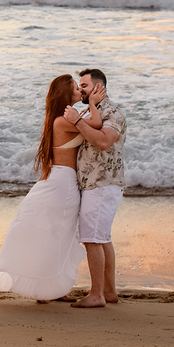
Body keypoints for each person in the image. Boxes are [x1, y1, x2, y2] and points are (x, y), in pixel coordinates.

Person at [0, 74, 101, 301]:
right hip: (63, 183)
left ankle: (50, 289)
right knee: (58, 236)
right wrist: (93, 103)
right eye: (76, 88)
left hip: (60, 180)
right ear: (67, 94)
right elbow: (96, 124)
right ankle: (49, 289)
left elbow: (87, 124)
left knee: (57, 236)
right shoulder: (62, 121)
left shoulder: (62, 119)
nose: (80, 91)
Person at [63, 68, 127, 308]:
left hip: (102, 184)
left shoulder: (113, 113)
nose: (80, 90)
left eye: (85, 86)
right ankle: (108, 292)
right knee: (102, 239)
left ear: (99, 88)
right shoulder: (91, 112)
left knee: (92, 239)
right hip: (93, 183)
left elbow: (102, 142)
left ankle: (96, 295)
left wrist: (78, 121)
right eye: (79, 86)